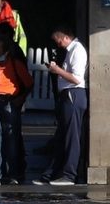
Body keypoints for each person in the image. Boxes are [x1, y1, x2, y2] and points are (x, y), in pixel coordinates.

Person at [33, 26, 87, 186]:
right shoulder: (71, 51)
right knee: (62, 137)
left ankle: (69, 175)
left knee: (71, 137)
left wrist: (57, 70)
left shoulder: (77, 50)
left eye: (59, 41)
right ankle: (51, 173)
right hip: (68, 95)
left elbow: (77, 79)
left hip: (73, 94)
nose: (58, 45)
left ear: (66, 37)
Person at [0, 23, 33, 185]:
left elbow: (28, 82)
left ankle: (13, 173)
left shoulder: (14, 61)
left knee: (11, 138)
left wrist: (21, 98)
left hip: (10, 101)